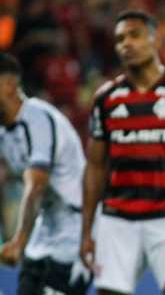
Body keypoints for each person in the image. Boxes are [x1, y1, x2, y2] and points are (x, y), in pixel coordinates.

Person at [80, 11, 165, 295]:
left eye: (135, 35)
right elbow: (94, 167)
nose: (126, 44)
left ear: (155, 40)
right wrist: (86, 232)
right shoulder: (106, 98)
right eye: (120, 39)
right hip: (116, 219)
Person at [0, 53, 92, 294]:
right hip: (46, 226)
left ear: (9, 84)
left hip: (76, 226)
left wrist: (19, 240)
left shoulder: (37, 119)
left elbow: (36, 186)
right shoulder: (4, 131)